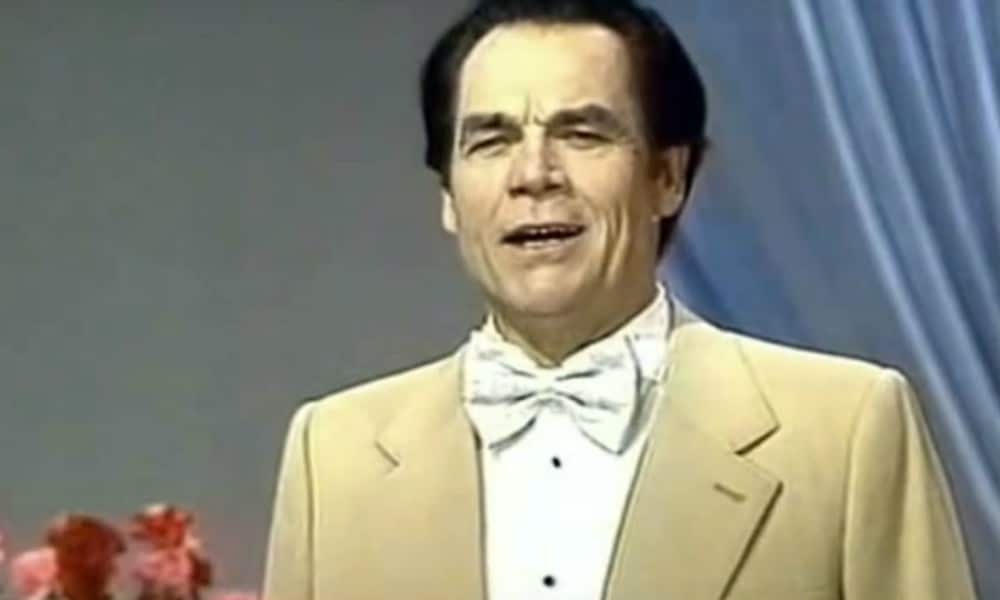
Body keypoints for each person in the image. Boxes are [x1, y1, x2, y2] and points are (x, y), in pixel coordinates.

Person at [262, 1, 977, 598]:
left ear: (668, 177)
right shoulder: (333, 455)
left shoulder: (846, 430)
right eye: (491, 141)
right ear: (449, 194)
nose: (533, 174)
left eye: (581, 134)